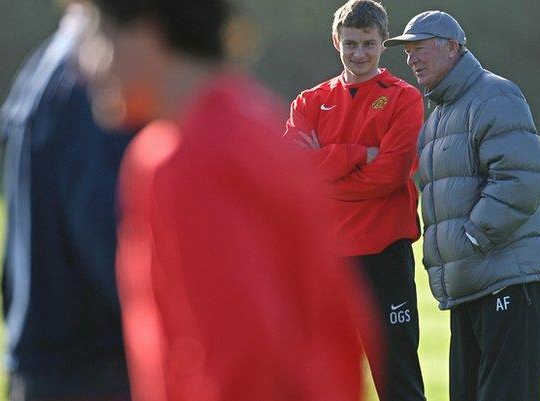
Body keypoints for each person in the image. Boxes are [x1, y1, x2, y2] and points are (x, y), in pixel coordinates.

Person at [83, 1, 376, 400]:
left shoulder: (187, 156)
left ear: (147, 32)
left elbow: (242, 358)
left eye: (97, 36)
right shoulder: (257, 122)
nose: (87, 62)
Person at [383, 10, 540, 401]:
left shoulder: (494, 93)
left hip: (506, 280)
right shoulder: (441, 113)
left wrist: (473, 238)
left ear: (453, 48)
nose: (412, 58)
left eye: (421, 48)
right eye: (408, 51)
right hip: (470, 285)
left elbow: (522, 178)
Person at [284, 1, 426, 400]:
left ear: (384, 44)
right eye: (351, 44)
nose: (359, 54)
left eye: (368, 44)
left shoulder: (404, 99)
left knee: (396, 374)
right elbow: (293, 175)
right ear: (336, 41)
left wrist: (323, 168)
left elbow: (392, 174)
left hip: (384, 254)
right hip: (325, 259)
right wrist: (359, 154)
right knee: (319, 375)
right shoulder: (310, 102)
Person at [0, 2, 133, 400]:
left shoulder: (48, 61)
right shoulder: (98, 76)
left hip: (50, 362)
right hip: (94, 368)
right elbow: (114, 247)